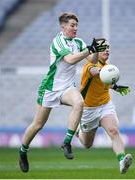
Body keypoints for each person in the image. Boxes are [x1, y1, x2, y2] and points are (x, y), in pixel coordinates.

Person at [19, 12, 107, 173]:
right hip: (50, 88)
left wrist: (95, 50)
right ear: (63, 26)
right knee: (38, 124)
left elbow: (92, 60)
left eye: (76, 25)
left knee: (79, 102)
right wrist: (89, 49)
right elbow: (70, 59)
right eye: (72, 25)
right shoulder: (58, 41)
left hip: (67, 88)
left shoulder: (78, 42)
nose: (75, 28)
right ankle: (23, 151)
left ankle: (66, 142)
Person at [77, 44, 133, 174]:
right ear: (96, 52)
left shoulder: (107, 67)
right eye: (103, 48)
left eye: (108, 47)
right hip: (89, 109)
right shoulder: (89, 66)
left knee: (114, 131)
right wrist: (106, 73)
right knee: (87, 144)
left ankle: (121, 161)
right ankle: (79, 132)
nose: (107, 50)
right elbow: (95, 72)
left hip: (105, 105)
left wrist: (115, 87)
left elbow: (104, 82)